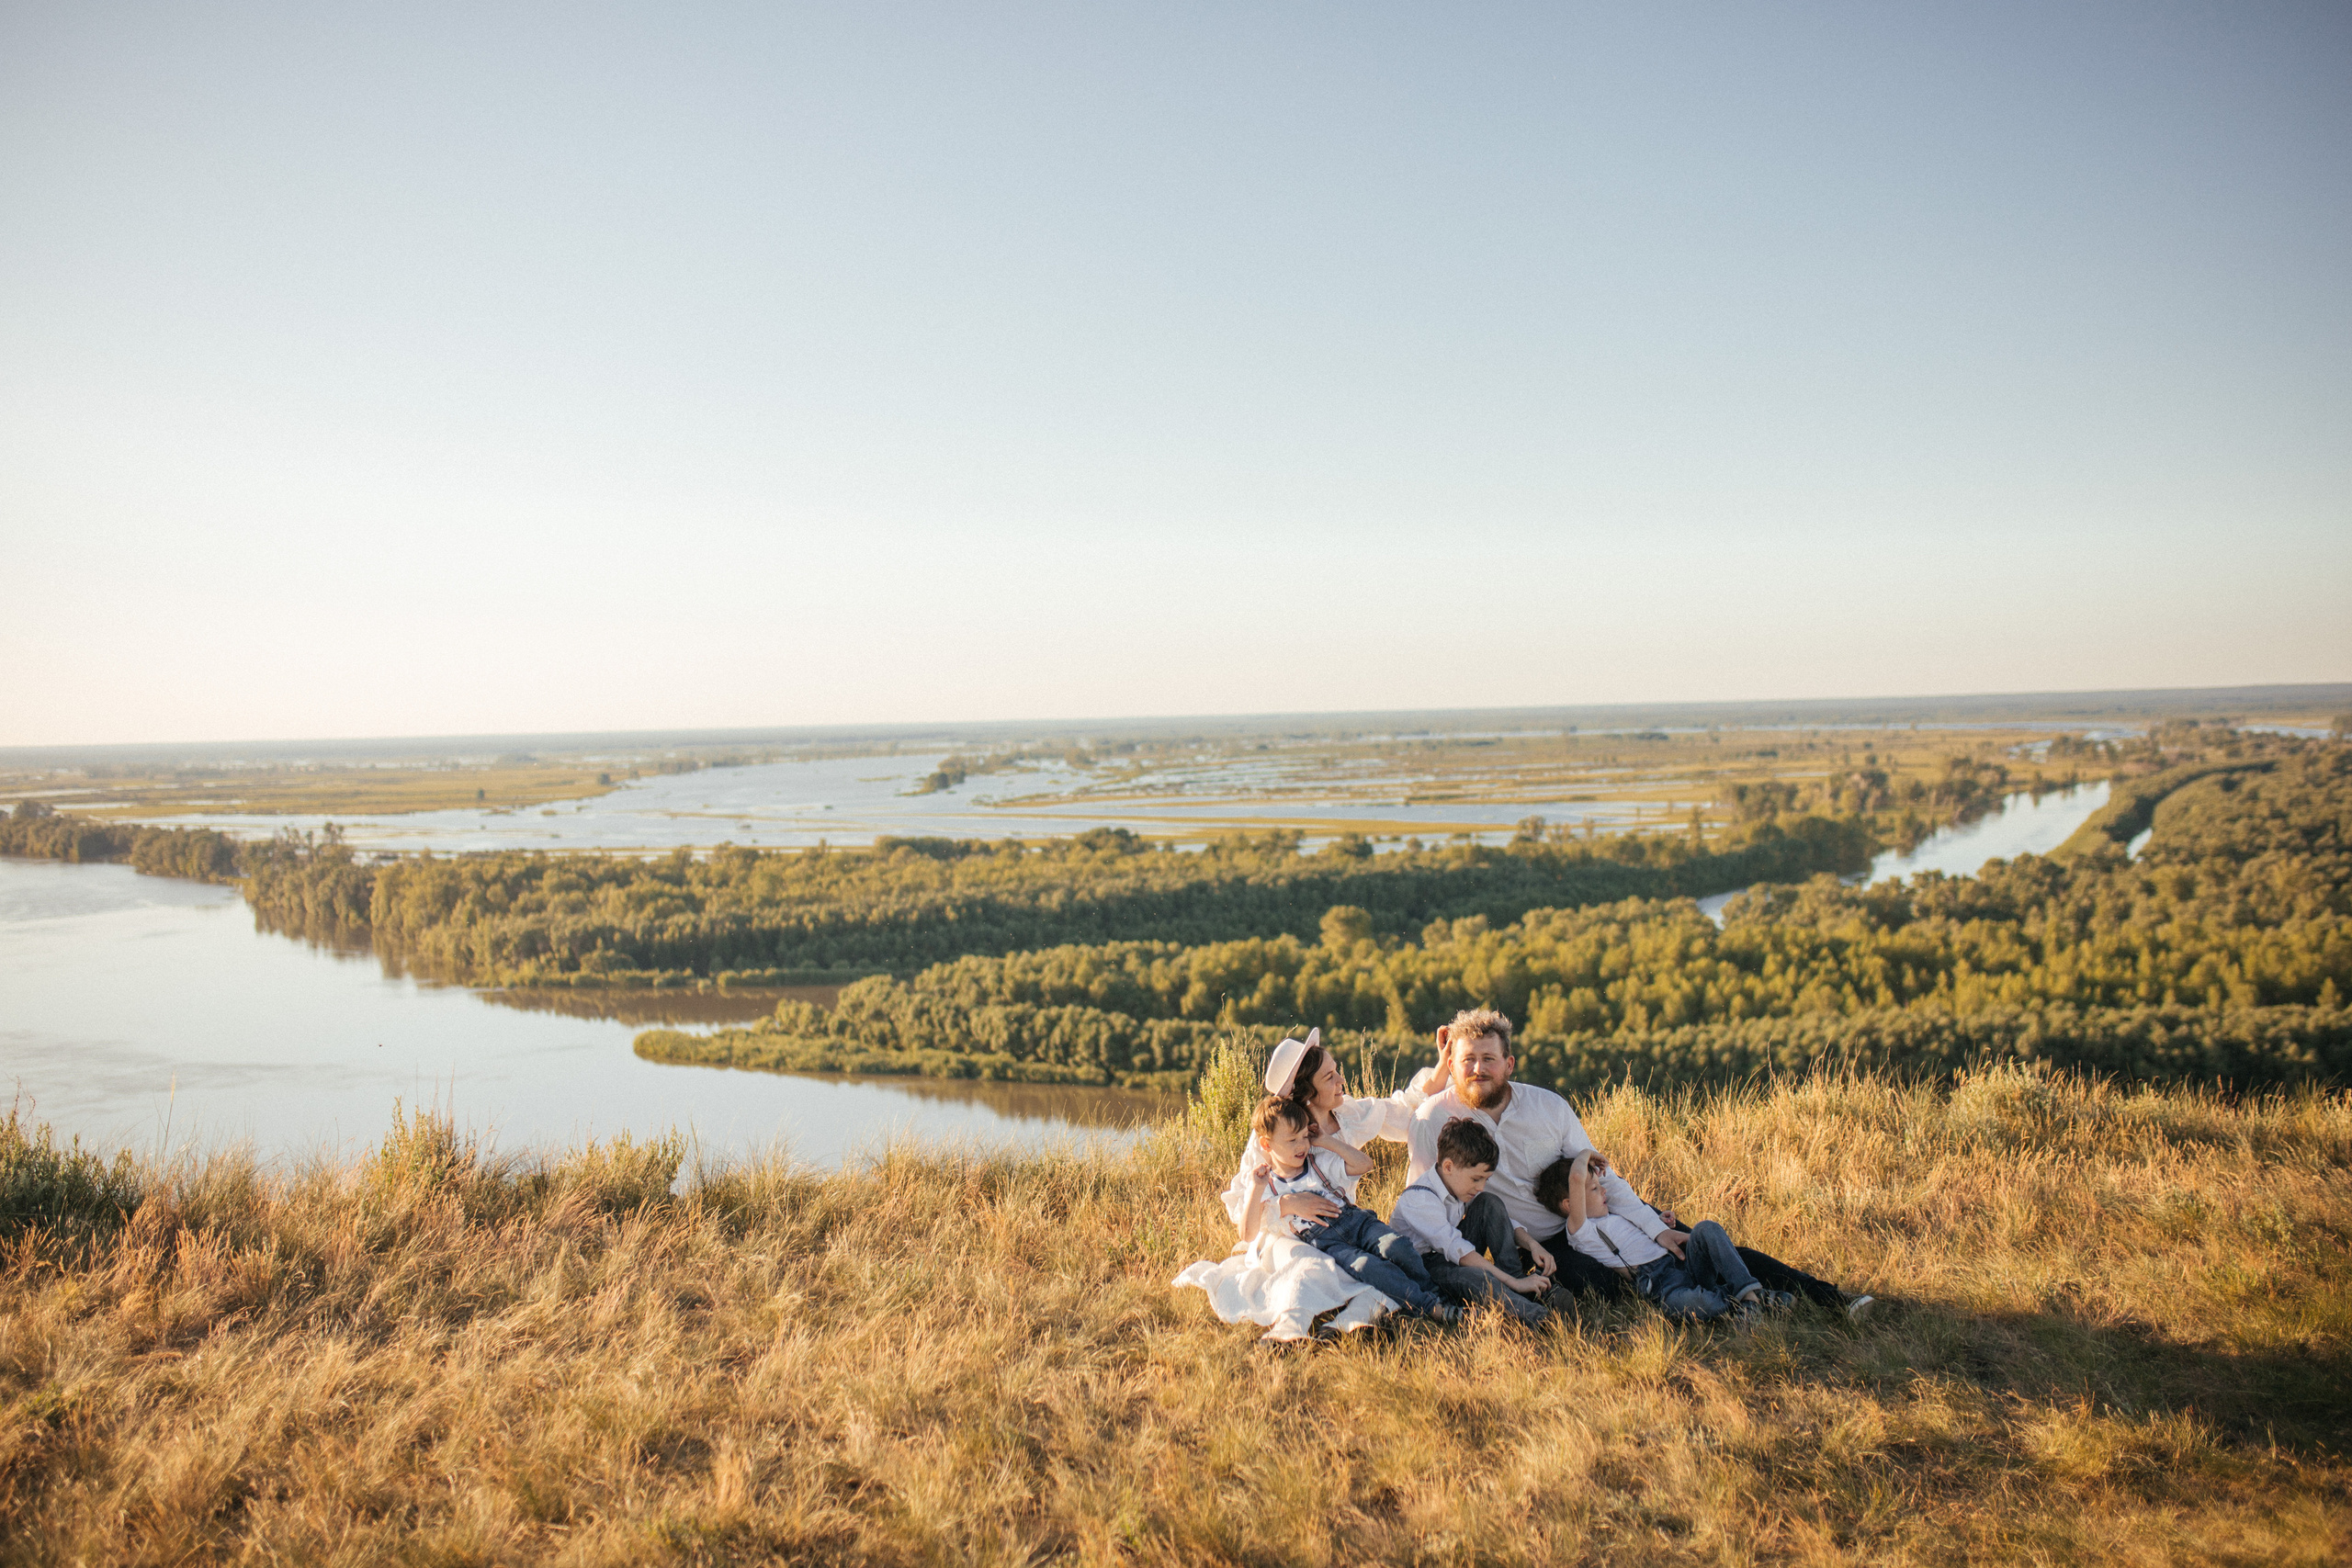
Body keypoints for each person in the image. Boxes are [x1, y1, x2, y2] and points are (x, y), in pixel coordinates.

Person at [1403, 1007, 1658, 1302]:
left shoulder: (1548, 1107)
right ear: (1451, 1063)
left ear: (1509, 1064)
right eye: (1468, 1060)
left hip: (1590, 1215)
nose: (1477, 1069)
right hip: (1532, 1244)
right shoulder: (1432, 1119)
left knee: (1672, 1238)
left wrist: (1653, 1226)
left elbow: (1602, 1176)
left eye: (1488, 1059)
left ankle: (1714, 1278)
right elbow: (1424, 1200)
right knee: (1601, 1285)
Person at [1240, 1095, 1460, 1324]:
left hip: (1356, 1222)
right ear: (1266, 1144)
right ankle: (1429, 1308)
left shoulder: (1317, 1163)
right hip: (1328, 1243)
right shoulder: (1265, 1183)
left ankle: (1437, 1296)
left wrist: (1326, 1141)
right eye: (1292, 1140)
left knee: (1398, 1247)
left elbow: (1365, 1164)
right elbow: (1247, 1234)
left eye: (1304, 1136)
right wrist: (1256, 1190)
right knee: (1369, 1267)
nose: (1301, 1146)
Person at [1220, 1026, 1438, 1240]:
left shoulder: (1346, 1115)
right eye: (1329, 1077)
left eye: (1336, 1071)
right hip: (1290, 1237)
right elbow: (1242, 1207)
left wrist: (1445, 1065)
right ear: (1306, 1092)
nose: (1341, 1080)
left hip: (1342, 1226)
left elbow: (1405, 1111)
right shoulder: (1273, 1136)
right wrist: (1286, 1203)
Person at [1541, 1150, 1786, 1321]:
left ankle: (1748, 1293)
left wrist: (1660, 1222)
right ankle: (1747, 1300)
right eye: (1594, 1188)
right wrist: (1585, 1152)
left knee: (1707, 1228)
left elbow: (1638, 1235)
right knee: (1689, 1306)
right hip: (1661, 1284)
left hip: (1681, 1261)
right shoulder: (1581, 1231)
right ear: (1570, 1205)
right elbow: (1575, 1177)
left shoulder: (1615, 1213)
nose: (1604, 1190)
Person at [1388, 1116, 1553, 1325]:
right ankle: (1536, 1316)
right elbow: (1457, 1249)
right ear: (1448, 1166)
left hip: (1451, 1255)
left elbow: (1500, 1220)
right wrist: (1509, 1282)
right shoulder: (1418, 1199)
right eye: (1476, 1179)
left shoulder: (1457, 1184)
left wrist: (1532, 1244)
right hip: (1425, 1270)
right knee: (1476, 1277)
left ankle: (1520, 1284)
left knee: (1488, 1202)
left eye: (1485, 1179)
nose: (1481, 1186)